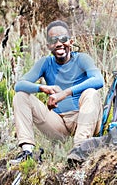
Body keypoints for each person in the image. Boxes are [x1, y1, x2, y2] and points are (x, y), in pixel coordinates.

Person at [11, 20, 104, 163]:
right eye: (54, 40)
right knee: (21, 96)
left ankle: (79, 150)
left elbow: (98, 80)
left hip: (85, 119)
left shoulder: (82, 59)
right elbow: (19, 85)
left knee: (91, 92)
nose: (59, 43)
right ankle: (27, 151)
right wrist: (43, 88)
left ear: (71, 41)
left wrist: (65, 93)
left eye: (64, 39)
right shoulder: (45, 63)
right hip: (59, 124)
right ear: (49, 46)